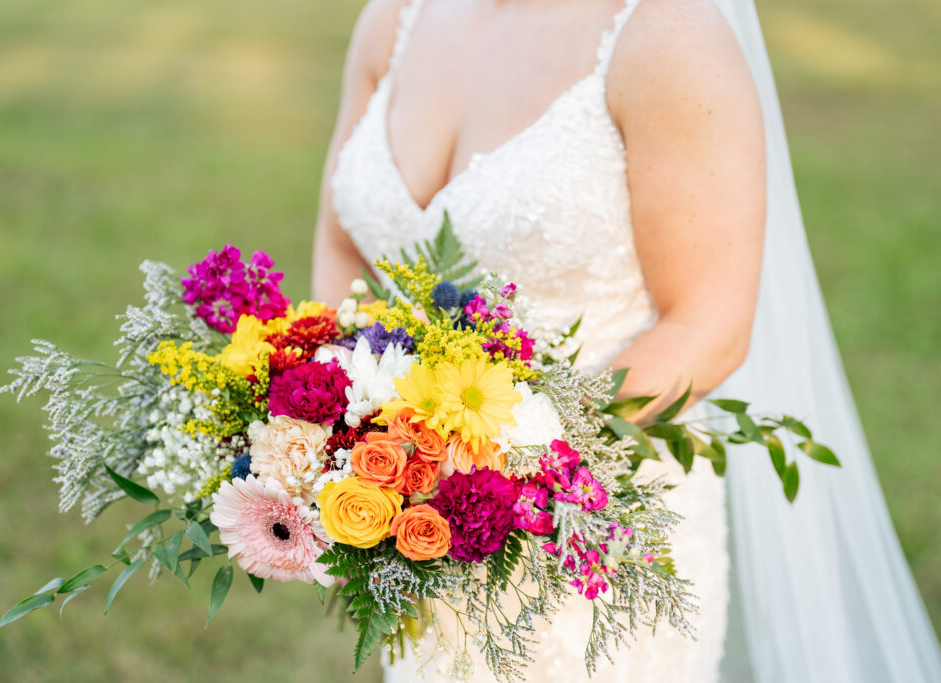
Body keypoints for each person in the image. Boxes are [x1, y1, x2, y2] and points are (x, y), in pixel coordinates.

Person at [311, 1, 941, 681]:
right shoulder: (396, 17)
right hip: (409, 523)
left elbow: (707, 324)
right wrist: (343, 427)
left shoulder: (667, 36)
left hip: (589, 541)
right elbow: (342, 237)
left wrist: (501, 473)